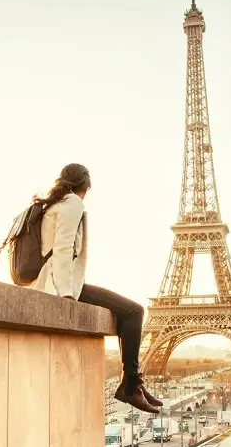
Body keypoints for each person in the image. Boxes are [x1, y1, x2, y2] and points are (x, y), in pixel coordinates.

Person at [26, 163, 162, 415]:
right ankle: (131, 384)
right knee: (134, 311)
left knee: (128, 312)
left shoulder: (54, 204)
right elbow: (63, 249)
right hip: (59, 285)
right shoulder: (72, 204)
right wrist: (67, 295)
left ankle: (133, 383)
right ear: (86, 186)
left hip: (53, 282)